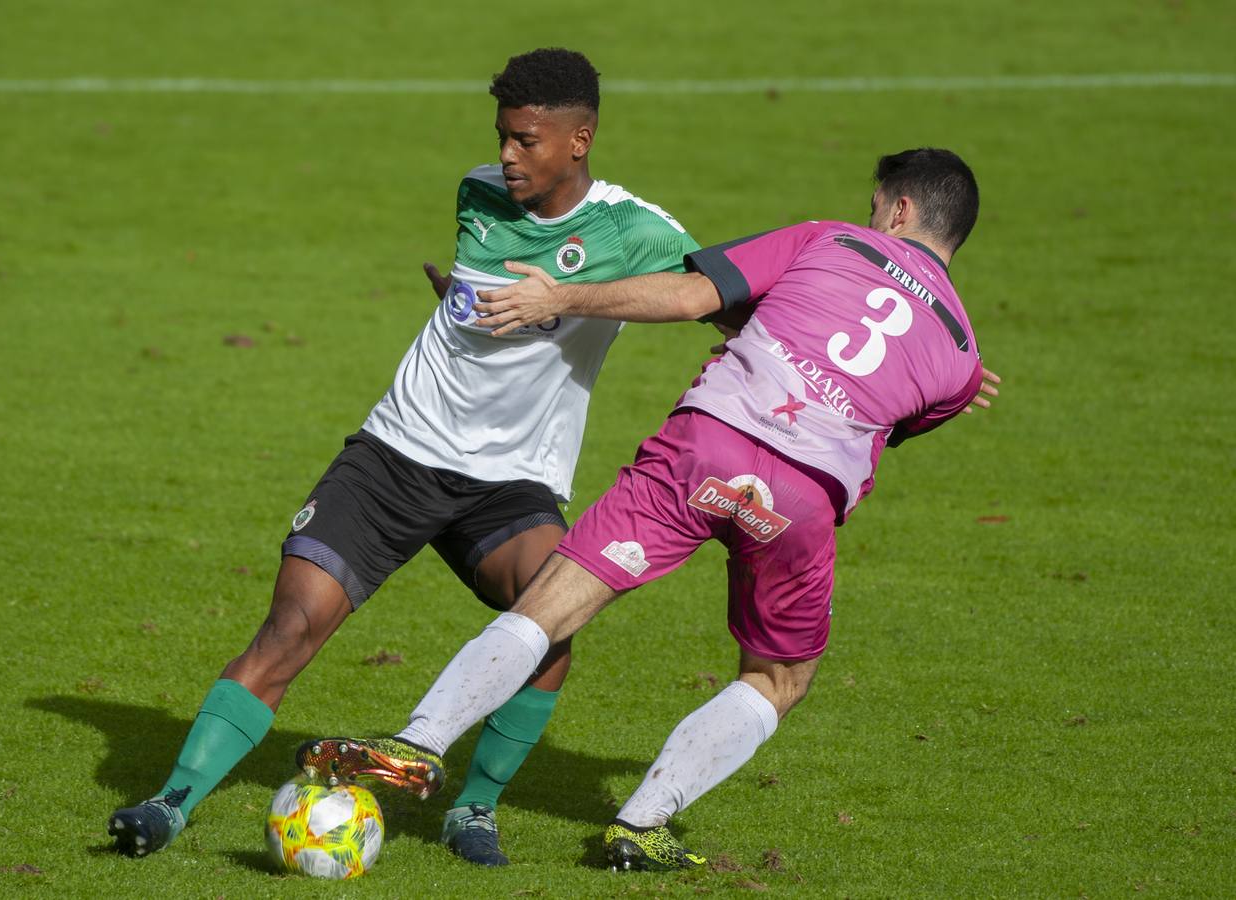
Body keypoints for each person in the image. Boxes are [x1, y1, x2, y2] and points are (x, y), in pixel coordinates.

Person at [298, 148, 1000, 870]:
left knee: (550, 604)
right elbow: (891, 417)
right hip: (800, 502)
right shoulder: (962, 358)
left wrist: (559, 299)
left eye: (876, 204)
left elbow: (694, 296)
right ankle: (641, 823)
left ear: (900, 209)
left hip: (707, 448)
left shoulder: (830, 237)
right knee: (778, 677)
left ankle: (419, 742)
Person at [106, 48, 701, 864]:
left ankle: (474, 809)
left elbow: (714, 296)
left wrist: (565, 299)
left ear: (579, 139)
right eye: (502, 136)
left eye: (526, 140)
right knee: (288, 628)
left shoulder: (635, 230)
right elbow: (477, 290)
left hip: (510, 484)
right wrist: (460, 298)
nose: (506, 155)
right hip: (394, 457)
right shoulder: (477, 192)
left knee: (547, 632)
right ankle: (170, 804)